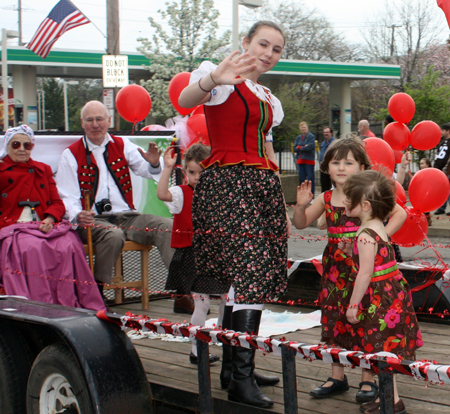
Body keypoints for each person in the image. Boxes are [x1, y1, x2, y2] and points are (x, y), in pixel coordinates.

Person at [178, 20, 289, 409]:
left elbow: (268, 150)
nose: (268, 53)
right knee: (249, 273)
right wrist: (212, 78)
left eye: (276, 49)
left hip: (260, 186)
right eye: (263, 44)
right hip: (228, 184)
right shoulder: (221, 76)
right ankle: (239, 377)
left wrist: (279, 199)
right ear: (246, 42)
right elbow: (187, 100)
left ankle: (234, 365)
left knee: (241, 278)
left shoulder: (267, 98)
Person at [293, 137, 406, 402]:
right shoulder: (327, 198)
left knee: (364, 320)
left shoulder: (368, 195)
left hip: (362, 270)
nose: (341, 168)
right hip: (334, 269)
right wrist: (300, 206)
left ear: (362, 166)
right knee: (335, 318)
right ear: (327, 167)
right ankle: (337, 375)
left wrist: (379, 240)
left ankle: (367, 379)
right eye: (336, 162)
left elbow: (400, 213)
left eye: (349, 162)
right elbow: (301, 223)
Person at [55, 101, 175, 299]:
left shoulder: (122, 145)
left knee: (167, 226)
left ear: (109, 121)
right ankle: (97, 292)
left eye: (100, 119)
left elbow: (145, 170)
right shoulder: (71, 154)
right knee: (113, 235)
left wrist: (153, 163)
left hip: (127, 217)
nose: (95, 124)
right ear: (82, 123)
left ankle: (183, 291)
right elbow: (66, 195)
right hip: (93, 221)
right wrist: (78, 214)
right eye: (90, 120)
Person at [339, 170, 422, 414]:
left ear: (364, 205)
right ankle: (387, 395)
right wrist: (349, 248)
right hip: (392, 293)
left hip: (380, 298)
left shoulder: (365, 235)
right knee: (385, 347)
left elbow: (365, 273)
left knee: (381, 347)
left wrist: (353, 304)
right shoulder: (377, 226)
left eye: (348, 197)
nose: (344, 201)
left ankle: (393, 400)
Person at [0, 125, 105, 310]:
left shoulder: (43, 169)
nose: (22, 149)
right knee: (31, 247)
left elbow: (57, 203)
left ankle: (67, 300)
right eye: (16, 144)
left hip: (42, 224)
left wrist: (49, 218)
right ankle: (38, 304)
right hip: (13, 226)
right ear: (7, 146)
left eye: (27, 145)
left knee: (69, 243)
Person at [157, 143, 229, 365]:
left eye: (202, 172)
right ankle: (197, 350)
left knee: (228, 298)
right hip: (192, 255)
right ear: (185, 171)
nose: (197, 177)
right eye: (192, 172)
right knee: (202, 304)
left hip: (215, 254)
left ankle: (221, 337)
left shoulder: (218, 193)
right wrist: (167, 168)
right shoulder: (181, 193)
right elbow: (162, 194)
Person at [294, 121, 316, 195]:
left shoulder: (311, 136)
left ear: (307, 127)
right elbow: (294, 148)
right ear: (300, 128)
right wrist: (304, 146)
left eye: (304, 127)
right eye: (302, 127)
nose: (303, 129)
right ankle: (303, 194)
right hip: (300, 160)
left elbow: (310, 147)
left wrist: (299, 147)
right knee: (302, 179)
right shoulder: (298, 137)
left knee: (310, 178)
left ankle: (311, 194)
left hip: (309, 160)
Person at [433, 123, 450, 215]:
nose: (441, 132)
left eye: (443, 130)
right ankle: (441, 207)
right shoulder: (442, 142)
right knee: (442, 189)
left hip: (447, 169)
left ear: (448, 131)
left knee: (449, 188)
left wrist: (447, 167)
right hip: (439, 168)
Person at [319, 126, 335, 192]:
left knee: (330, 185)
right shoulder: (323, 143)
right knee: (324, 184)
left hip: (330, 166)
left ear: (331, 133)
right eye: (324, 132)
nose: (326, 134)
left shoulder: (334, 142)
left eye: (327, 132)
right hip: (323, 166)